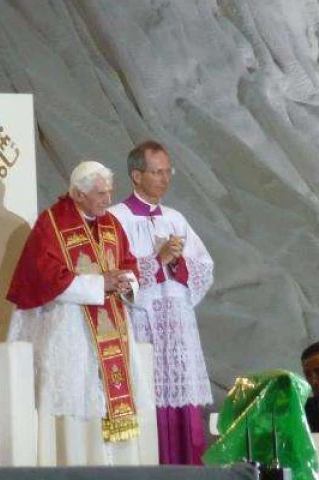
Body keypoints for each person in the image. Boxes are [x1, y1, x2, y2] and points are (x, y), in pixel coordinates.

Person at [7, 161, 148, 465]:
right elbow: (45, 276)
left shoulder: (111, 223)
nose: (108, 199)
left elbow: (128, 262)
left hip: (112, 326)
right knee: (76, 406)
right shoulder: (52, 224)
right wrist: (99, 284)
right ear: (79, 194)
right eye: (101, 194)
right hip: (71, 331)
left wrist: (127, 282)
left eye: (109, 192)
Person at [109, 140, 214, 465]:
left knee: (184, 410)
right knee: (148, 408)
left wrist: (178, 263)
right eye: (157, 172)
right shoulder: (115, 219)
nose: (165, 179)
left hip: (178, 330)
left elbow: (204, 269)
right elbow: (113, 277)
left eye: (168, 171)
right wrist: (157, 261)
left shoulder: (175, 219)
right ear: (136, 175)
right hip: (141, 327)